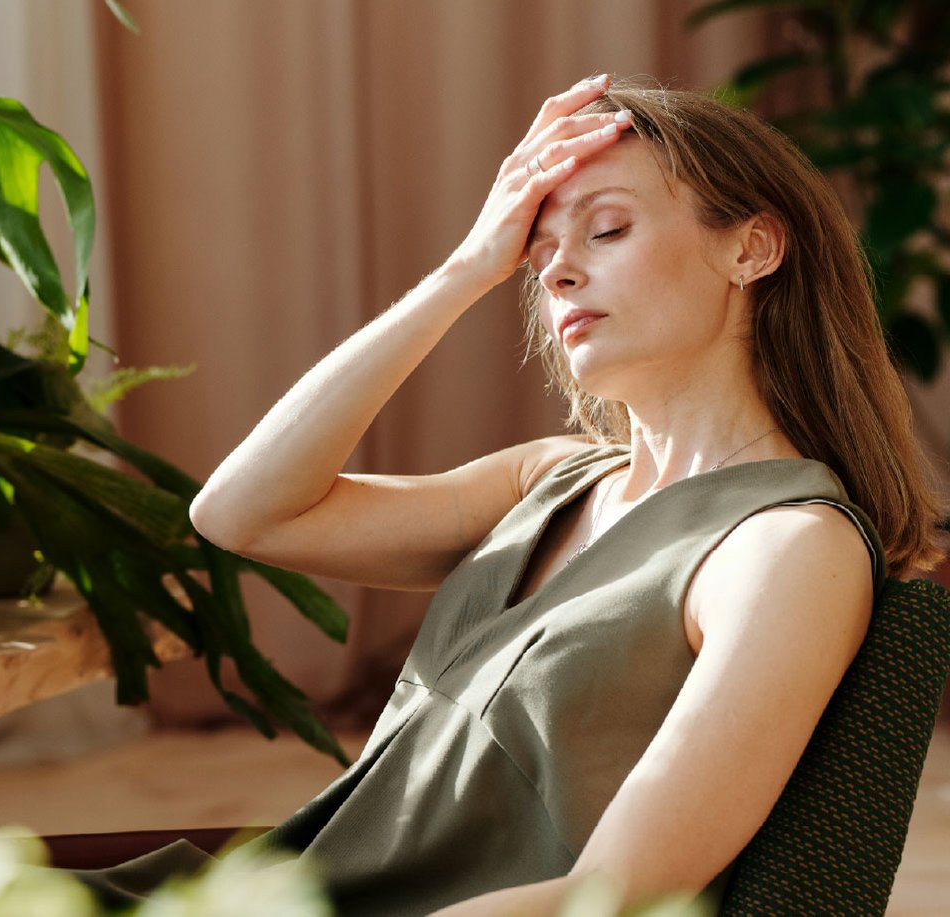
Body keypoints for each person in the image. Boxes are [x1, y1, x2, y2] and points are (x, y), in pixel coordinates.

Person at [77, 75, 946, 914]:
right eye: (540, 254)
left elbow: (609, 897)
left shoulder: (784, 547)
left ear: (750, 247)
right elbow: (238, 512)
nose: (558, 272)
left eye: (606, 231)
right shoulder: (552, 479)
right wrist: (463, 270)